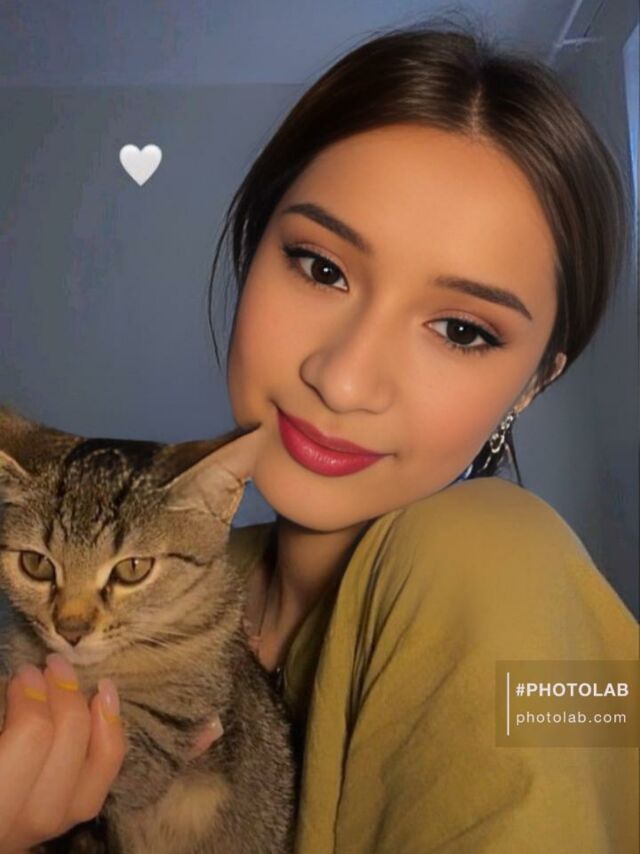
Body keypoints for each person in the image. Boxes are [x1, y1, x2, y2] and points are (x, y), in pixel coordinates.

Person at [1, 20, 637, 853]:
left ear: (534, 382)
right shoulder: (199, 563)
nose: (344, 380)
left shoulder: (499, 557)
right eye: (321, 267)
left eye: (461, 329)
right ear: (251, 250)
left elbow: (584, 728)